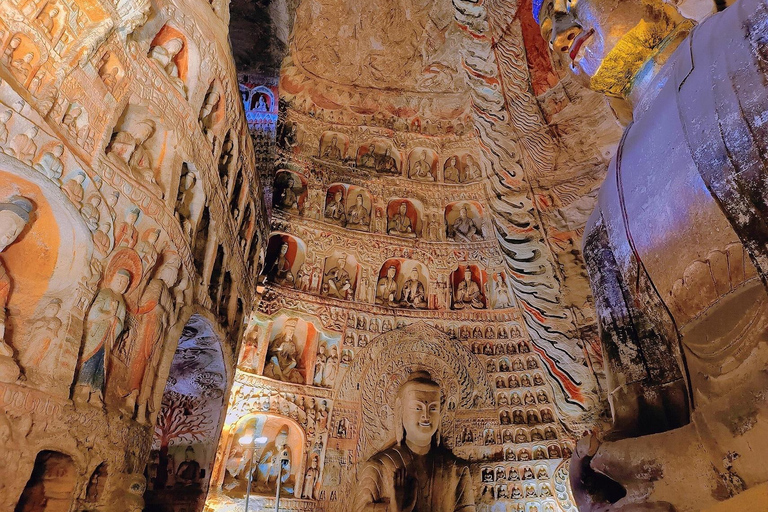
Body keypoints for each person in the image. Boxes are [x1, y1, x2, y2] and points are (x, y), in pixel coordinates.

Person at [534, 0, 768, 509]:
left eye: (568, 4)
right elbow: (654, 414)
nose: (559, 33)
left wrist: (704, 456)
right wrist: (618, 478)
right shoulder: (603, 225)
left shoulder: (750, 40)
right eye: (548, 23)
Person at [353, 371, 476, 511]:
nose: (426, 416)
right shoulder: (379, 466)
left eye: (433, 408)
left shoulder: (455, 470)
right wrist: (393, 508)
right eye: (418, 408)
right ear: (401, 410)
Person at [263, 319, 304, 383]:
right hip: (277, 359)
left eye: (292, 331)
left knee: (294, 363)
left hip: (285, 361)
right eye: (290, 331)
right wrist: (279, 348)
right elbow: (270, 350)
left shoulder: (292, 344)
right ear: (286, 331)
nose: (291, 333)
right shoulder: (278, 340)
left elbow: (291, 354)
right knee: (274, 358)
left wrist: (292, 358)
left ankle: (281, 374)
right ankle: (281, 376)